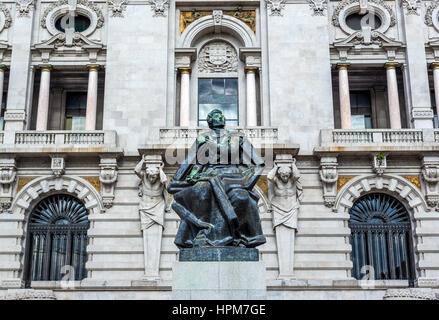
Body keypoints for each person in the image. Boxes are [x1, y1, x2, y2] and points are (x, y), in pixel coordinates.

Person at [167, 109, 266, 248]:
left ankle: (236, 237)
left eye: (220, 114)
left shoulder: (238, 137)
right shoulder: (203, 138)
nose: (218, 117)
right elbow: (188, 161)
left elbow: (259, 164)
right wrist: (176, 180)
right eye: (213, 115)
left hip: (233, 179)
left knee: (241, 197)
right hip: (208, 176)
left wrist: (247, 184)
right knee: (201, 192)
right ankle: (207, 233)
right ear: (209, 121)